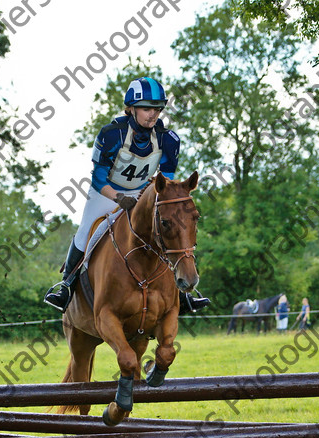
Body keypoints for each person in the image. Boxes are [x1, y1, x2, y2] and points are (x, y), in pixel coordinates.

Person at [44, 77, 210, 314]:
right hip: (107, 191)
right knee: (87, 232)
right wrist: (119, 199)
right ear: (131, 108)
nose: (152, 114)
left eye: (157, 108)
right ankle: (66, 286)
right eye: (146, 108)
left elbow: (167, 179)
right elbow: (99, 178)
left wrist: (151, 198)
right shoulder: (111, 134)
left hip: (144, 191)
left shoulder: (169, 139)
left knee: (166, 232)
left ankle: (182, 295)